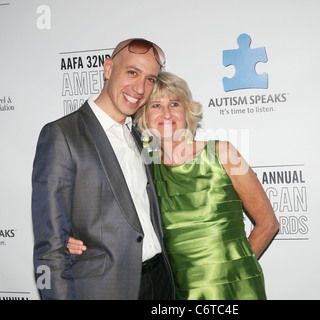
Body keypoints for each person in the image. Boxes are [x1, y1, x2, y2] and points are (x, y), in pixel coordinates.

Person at [69, 72, 279, 299]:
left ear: (187, 111)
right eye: (156, 105)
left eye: (174, 104)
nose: (167, 113)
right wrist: (72, 238)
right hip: (177, 292)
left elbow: (268, 224)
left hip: (236, 288)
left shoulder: (223, 153)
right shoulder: (144, 168)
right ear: (144, 117)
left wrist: (238, 268)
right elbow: (112, 216)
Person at [32, 38, 175, 300]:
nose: (140, 88)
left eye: (150, 79)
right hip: (105, 290)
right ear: (108, 68)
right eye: (132, 72)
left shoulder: (141, 137)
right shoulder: (62, 135)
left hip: (161, 283)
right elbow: (50, 249)